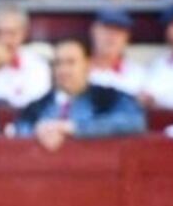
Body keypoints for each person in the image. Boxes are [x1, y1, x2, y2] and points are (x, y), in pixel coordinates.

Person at [13, 38, 146, 151]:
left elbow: (135, 121)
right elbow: (20, 128)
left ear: (87, 65)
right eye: (58, 63)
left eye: (71, 62)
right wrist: (38, 130)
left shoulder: (107, 97)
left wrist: (75, 127)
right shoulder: (38, 105)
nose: (63, 70)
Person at [88, 8, 145, 97]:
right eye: (107, 28)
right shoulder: (76, 71)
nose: (112, 36)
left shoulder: (139, 76)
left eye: (118, 30)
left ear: (127, 37)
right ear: (94, 30)